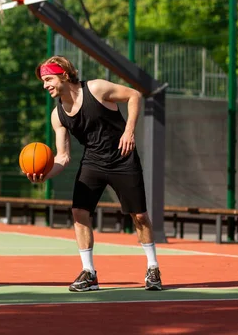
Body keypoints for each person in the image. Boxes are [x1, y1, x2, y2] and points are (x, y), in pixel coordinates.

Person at [28, 56, 162, 292]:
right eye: (43, 81)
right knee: (79, 212)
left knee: (139, 216)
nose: (45, 85)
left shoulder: (96, 88)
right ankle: (89, 273)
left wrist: (129, 131)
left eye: (48, 79)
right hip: (93, 162)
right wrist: (45, 174)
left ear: (64, 75)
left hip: (123, 157)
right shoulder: (57, 115)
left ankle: (153, 267)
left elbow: (134, 95)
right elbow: (63, 157)